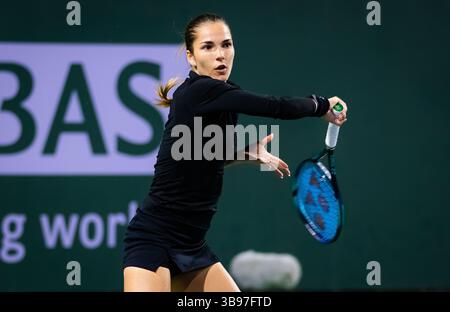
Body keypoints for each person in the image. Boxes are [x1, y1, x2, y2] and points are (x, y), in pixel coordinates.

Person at [123, 13, 348, 292]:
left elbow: (193, 157)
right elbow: (275, 107)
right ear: (191, 58)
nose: (220, 55)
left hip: (192, 244)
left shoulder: (220, 98)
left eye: (226, 45)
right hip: (154, 239)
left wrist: (245, 154)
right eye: (208, 47)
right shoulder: (201, 91)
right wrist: (322, 105)